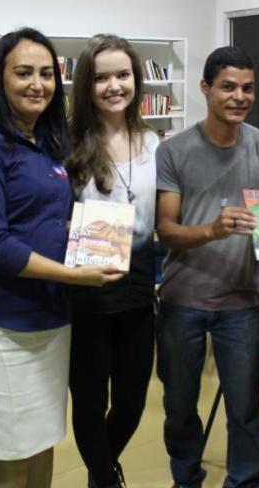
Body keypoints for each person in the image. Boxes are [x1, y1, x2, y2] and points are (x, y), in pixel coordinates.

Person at [0, 28, 122, 488]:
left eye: (47, 74)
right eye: (24, 73)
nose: (38, 84)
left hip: (52, 318)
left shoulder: (49, 144)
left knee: (43, 438)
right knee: (13, 452)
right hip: (3, 324)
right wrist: (73, 273)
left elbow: (51, 220)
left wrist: (87, 236)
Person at [155, 46, 259, 488]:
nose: (239, 96)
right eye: (228, 87)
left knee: (245, 408)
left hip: (242, 300)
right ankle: (186, 478)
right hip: (182, 298)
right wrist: (211, 230)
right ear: (206, 89)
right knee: (179, 406)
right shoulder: (174, 150)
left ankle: (245, 481)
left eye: (248, 88)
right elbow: (166, 232)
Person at [65, 34, 158, 488]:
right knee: (87, 399)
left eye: (123, 75)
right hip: (86, 289)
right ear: (87, 85)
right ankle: (103, 479)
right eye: (102, 77)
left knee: (133, 400)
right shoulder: (66, 144)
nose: (114, 86)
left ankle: (103, 468)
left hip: (140, 284)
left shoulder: (154, 143)